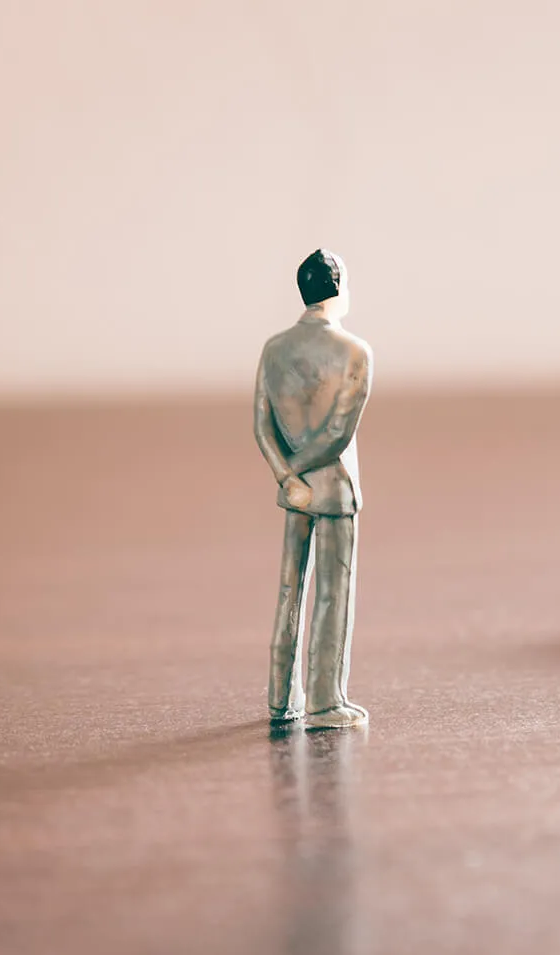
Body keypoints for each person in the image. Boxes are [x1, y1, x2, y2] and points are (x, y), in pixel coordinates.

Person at [253, 249, 372, 729]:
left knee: (290, 588)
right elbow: (337, 434)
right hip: (333, 489)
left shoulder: (274, 349)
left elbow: (262, 426)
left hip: (295, 491)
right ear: (337, 290)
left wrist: (286, 476)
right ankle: (324, 702)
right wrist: (300, 471)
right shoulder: (355, 352)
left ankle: (282, 696)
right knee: (331, 592)